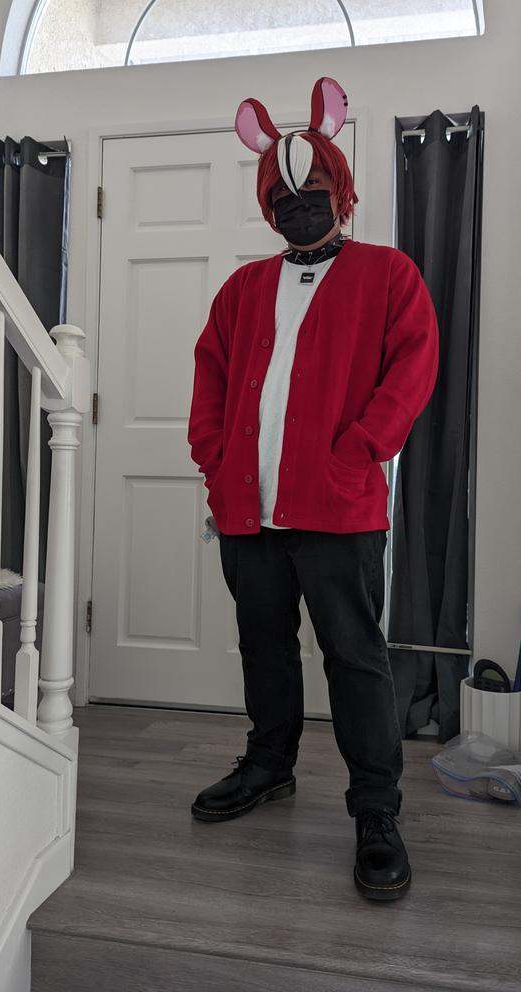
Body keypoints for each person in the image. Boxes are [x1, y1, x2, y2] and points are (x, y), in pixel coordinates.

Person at [187, 77, 439, 902]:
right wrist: (213, 459)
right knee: (262, 646)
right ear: (267, 206)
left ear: (341, 189)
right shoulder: (241, 290)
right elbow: (210, 379)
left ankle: (376, 810)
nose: (298, 206)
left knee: (354, 656)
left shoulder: (388, 275)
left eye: (314, 190)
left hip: (339, 506)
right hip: (246, 510)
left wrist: (359, 452)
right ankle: (269, 765)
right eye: (282, 197)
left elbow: (411, 371)